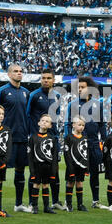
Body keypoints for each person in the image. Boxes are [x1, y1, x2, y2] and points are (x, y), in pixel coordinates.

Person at [0, 64, 31, 213]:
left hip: (22, 138)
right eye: (16, 71)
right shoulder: (1, 92)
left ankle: (18, 203)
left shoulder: (26, 93)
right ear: (9, 75)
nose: (19, 73)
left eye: (21, 71)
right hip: (4, 138)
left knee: (20, 170)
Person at [65, 76, 107, 209]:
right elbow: (67, 124)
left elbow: (101, 124)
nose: (80, 89)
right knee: (76, 174)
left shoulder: (97, 104)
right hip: (78, 145)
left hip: (94, 144)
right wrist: (69, 140)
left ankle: (95, 200)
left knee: (95, 172)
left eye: (82, 87)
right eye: (78, 87)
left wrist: (104, 140)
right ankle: (71, 202)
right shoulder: (73, 104)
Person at [27, 69, 63, 211]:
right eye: (43, 78)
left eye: (48, 78)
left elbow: (57, 116)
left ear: (53, 80)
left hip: (53, 138)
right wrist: (33, 134)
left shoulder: (58, 96)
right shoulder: (34, 95)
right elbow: (28, 114)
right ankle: (32, 202)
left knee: (54, 169)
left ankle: (55, 201)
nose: (46, 80)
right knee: (34, 171)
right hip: (37, 138)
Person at [28, 114, 58, 214]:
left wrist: (53, 172)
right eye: (43, 120)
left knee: (46, 185)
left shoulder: (52, 139)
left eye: (47, 121)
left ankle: (46, 207)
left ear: (50, 125)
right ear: (39, 123)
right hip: (37, 166)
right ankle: (35, 206)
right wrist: (32, 171)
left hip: (47, 166)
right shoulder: (33, 137)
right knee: (36, 185)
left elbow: (54, 157)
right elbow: (30, 156)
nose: (44, 122)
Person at [63, 115, 89, 212]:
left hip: (81, 166)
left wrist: (87, 167)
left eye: (83, 125)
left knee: (80, 183)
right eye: (79, 125)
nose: (81, 127)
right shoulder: (68, 137)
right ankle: (69, 204)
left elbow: (86, 154)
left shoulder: (85, 138)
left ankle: (80, 204)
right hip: (71, 166)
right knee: (70, 183)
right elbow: (67, 154)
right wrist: (70, 167)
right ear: (73, 125)